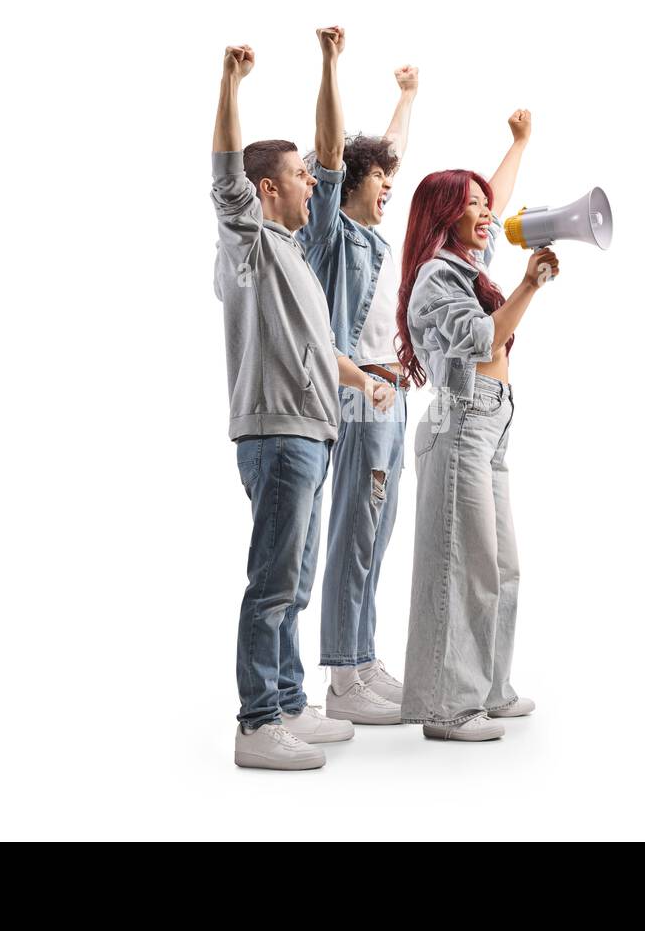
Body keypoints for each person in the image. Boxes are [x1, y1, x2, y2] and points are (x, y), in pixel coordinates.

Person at [211, 38, 395, 770]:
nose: (313, 186)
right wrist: (230, 83)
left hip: (309, 434)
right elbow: (226, 171)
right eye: (299, 178)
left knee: (296, 577)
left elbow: (320, 350)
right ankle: (258, 723)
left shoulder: (292, 254)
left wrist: (366, 381)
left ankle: (288, 700)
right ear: (266, 190)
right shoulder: (247, 240)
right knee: (273, 582)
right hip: (277, 433)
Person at [396, 110, 559, 742]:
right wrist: (530, 284)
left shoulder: (463, 258)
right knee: (465, 563)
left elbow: (497, 197)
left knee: (502, 564)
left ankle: (489, 688)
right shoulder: (439, 276)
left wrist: (519, 143)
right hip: (462, 421)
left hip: (492, 424)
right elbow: (488, 335)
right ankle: (447, 707)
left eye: (482, 205)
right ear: (446, 217)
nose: (486, 213)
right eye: (471, 207)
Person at [297, 28, 418, 725]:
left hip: (392, 395)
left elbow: (385, 155)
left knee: (379, 531)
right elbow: (340, 154)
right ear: (350, 186)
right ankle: (344, 674)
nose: (389, 192)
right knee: (355, 529)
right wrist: (331, 64)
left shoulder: (374, 233)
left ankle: (363, 658)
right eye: (379, 183)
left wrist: (406, 97)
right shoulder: (334, 235)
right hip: (360, 393)